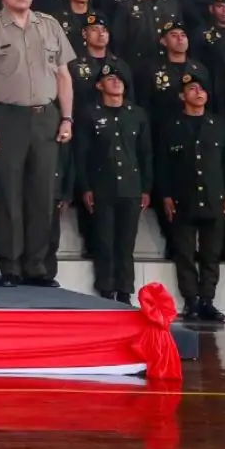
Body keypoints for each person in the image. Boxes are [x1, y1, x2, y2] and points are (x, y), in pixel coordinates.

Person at [0, 0, 75, 287]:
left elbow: (63, 76)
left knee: (43, 195)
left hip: (46, 117)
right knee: (9, 196)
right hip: (7, 118)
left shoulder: (50, 25)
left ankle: (38, 268)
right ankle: (11, 268)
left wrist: (68, 117)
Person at [157, 71, 225, 322]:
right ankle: (191, 300)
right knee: (185, 252)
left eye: (202, 89)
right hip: (183, 197)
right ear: (182, 96)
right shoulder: (171, 127)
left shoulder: (219, 125)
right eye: (192, 89)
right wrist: (166, 195)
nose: (198, 93)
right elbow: (164, 165)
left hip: (214, 197)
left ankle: (207, 300)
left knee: (212, 253)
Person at [75, 63, 152, 303]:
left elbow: (146, 154)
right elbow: (82, 154)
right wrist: (86, 187)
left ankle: (125, 289)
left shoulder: (137, 114)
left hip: (131, 186)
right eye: (110, 79)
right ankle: (106, 289)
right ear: (99, 85)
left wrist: (146, 188)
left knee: (126, 243)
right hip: (102, 185)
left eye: (119, 79)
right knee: (105, 240)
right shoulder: (90, 113)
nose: (116, 82)